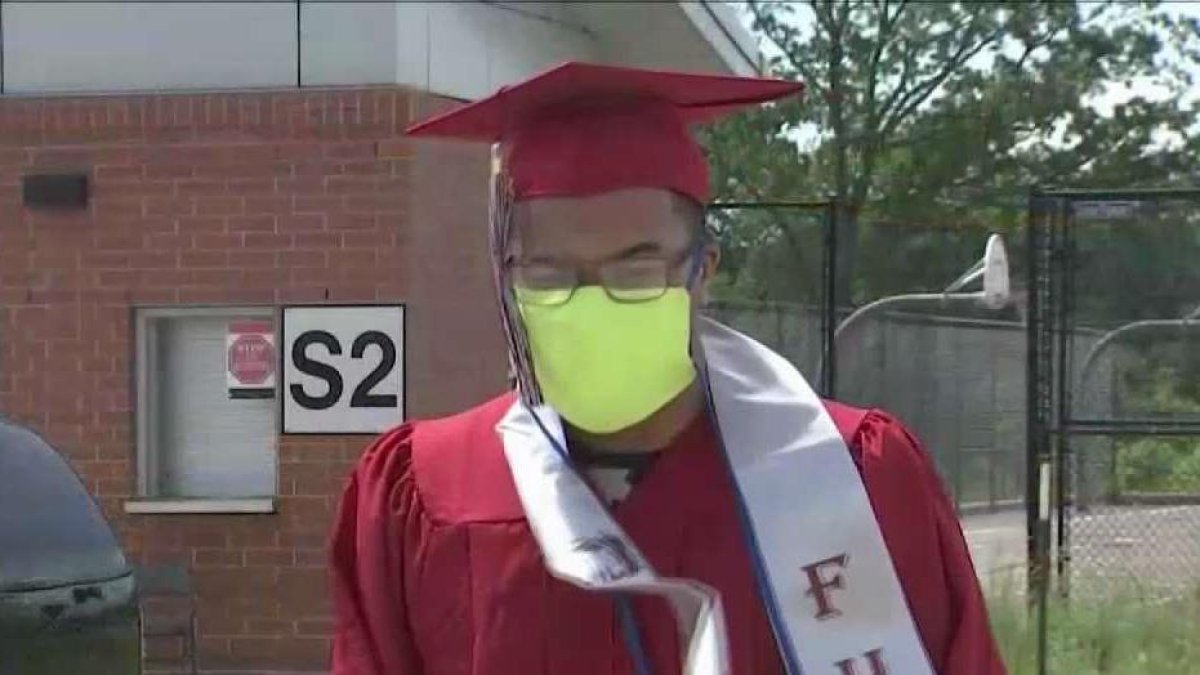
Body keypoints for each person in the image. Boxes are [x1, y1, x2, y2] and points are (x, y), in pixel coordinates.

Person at [329, 62, 1006, 675]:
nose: (590, 300)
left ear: (701, 271)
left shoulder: (848, 475)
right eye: (551, 272)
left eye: (635, 267)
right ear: (509, 282)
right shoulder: (425, 492)